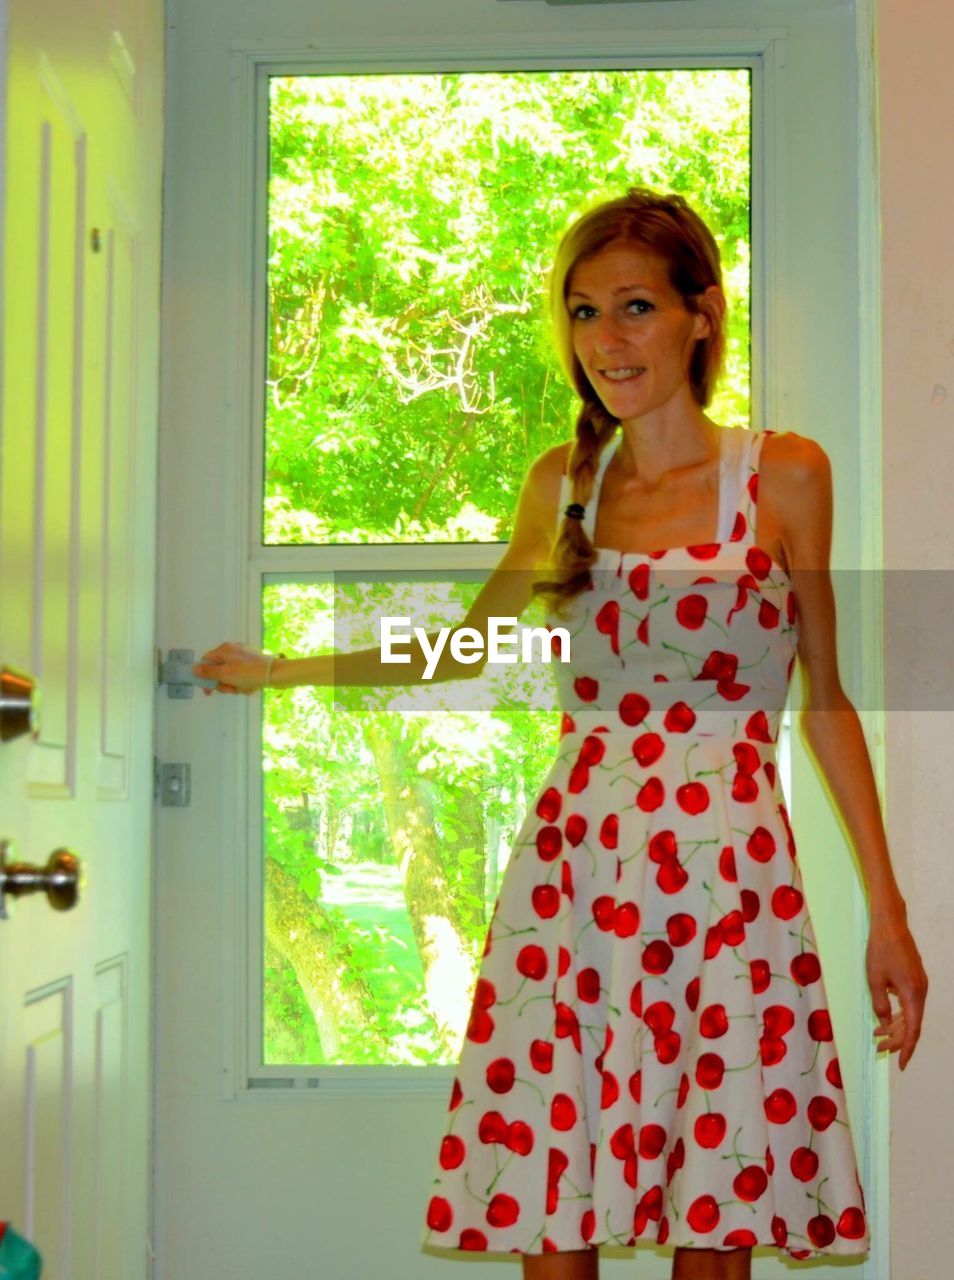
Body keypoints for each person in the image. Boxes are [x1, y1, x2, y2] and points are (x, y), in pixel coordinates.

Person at [195, 187, 927, 1279]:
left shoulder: (784, 475)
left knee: (716, 1214)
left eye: (634, 307)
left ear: (701, 313)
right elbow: (461, 642)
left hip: (728, 884)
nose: (606, 341)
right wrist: (283, 670)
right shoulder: (565, 483)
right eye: (584, 314)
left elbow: (826, 699)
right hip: (574, 877)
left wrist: (889, 911)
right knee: (551, 1197)